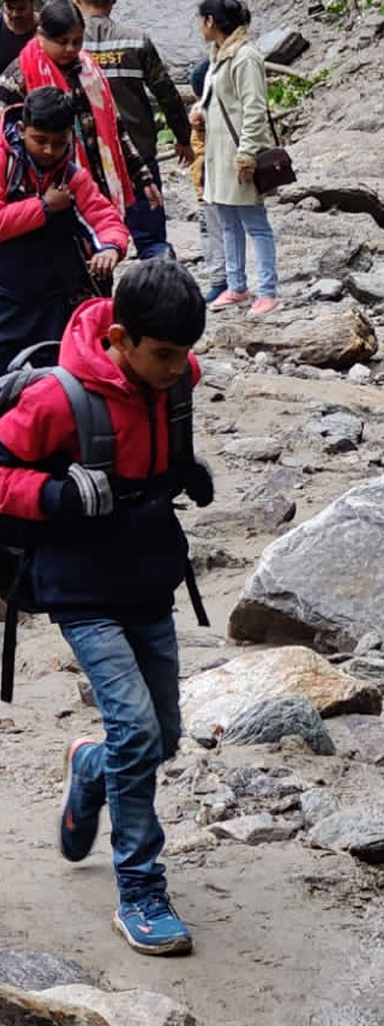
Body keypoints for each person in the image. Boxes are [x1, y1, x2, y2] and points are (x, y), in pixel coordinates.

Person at [0, 260, 212, 955]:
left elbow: (161, 439)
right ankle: (141, 892)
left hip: (149, 580)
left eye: (185, 355)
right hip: (80, 589)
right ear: (120, 337)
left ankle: (90, 768)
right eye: (164, 356)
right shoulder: (57, 401)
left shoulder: (177, 377)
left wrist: (186, 470)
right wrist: (55, 496)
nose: (178, 369)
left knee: (163, 738)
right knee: (139, 734)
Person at [0, 0, 160, 229]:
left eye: (77, 41)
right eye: (62, 41)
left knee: (102, 249)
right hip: (46, 192)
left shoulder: (88, 70)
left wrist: (141, 174)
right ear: (41, 35)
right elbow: (6, 142)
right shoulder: (17, 78)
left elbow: (113, 128)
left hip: (93, 186)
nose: (71, 49)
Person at [72, 0, 194, 261]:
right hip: (138, 157)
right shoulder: (136, 40)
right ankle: (163, 300)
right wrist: (183, 137)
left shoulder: (66, 44)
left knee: (90, 245)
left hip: (86, 162)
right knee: (152, 242)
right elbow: (167, 95)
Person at [0, 86, 128, 370]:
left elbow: (104, 217)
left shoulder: (71, 176)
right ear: (21, 129)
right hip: (6, 294)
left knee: (59, 368)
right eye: (40, 140)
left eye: (59, 142)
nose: (49, 150)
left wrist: (109, 247)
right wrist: (44, 207)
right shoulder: (3, 163)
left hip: (53, 294)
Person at [193, 0, 278, 316]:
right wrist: (201, 112)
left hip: (238, 153)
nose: (199, 26)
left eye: (200, 20)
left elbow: (255, 107)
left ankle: (268, 291)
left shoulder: (245, 56)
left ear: (210, 21)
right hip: (219, 154)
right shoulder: (220, 55)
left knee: (255, 224)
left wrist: (247, 155)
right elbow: (220, 100)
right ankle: (236, 286)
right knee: (228, 223)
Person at [187, 57, 226, 304]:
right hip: (207, 181)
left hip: (208, 183)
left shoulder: (202, 114)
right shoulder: (204, 112)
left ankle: (220, 281)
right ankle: (224, 279)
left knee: (213, 233)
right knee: (218, 231)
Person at [0, 0, 39, 70]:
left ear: (33, 2)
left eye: (21, 9)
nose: (15, 14)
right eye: (9, 8)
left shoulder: (46, 28)